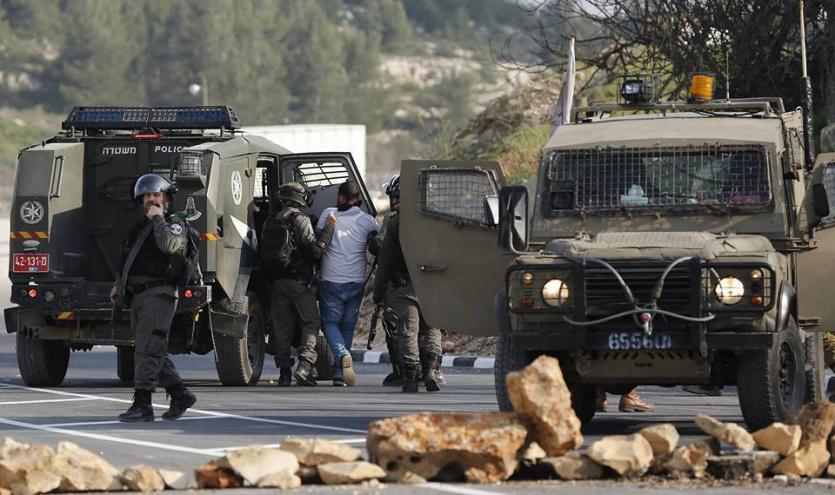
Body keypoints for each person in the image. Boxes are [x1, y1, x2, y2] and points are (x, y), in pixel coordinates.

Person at [111, 174, 196, 422]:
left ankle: (143, 404)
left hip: (159, 294)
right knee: (149, 348)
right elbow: (130, 258)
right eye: (147, 195)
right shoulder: (140, 227)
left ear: (166, 199)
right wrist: (119, 286)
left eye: (156, 195)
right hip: (139, 295)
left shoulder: (174, 224)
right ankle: (180, 394)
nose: (150, 199)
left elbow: (169, 245)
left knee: (148, 348)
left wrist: (158, 218)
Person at [372, 176, 443, 393]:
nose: (394, 202)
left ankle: (411, 377)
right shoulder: (437, 220)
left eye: (397, 197)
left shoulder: (396, 223)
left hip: (403, 288)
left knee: (408, 332)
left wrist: (377, 291)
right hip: (432, 286)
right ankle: (430, 372)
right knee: (432, 329)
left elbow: (384, 259)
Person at [261, 182, 335, 386]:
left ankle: (284, 373)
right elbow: (315, 251)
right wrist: (328, 229)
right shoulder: (300, 220)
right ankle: (305, 366)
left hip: (276, 283)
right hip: (299, 282)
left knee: (281, 328)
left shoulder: (270, 221)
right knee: (311, 323)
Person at [316, 181, 378, 386]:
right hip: (356, 282)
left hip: (331, 281)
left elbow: (318, 236)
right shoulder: (367, 221)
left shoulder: (328, 214)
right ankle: (338, 374)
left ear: (341, 197)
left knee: (329, 323)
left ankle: (342, 354)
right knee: (348, 326)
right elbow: (377, 239)